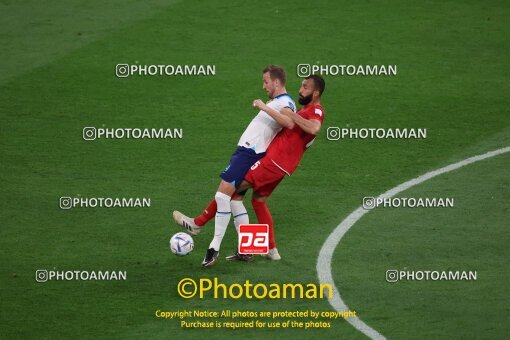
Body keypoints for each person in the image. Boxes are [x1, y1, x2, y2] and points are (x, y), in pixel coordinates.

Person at [174, 75, 326, 267]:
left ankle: (198, 223)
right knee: (257, 201)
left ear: (316, 92)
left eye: (305, 87)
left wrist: (289, 114)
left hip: (273, 163)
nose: (300, 90)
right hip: (281, 166)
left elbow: (314, 128)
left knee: (231, 190)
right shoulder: (305, 109)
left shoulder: (316, 110)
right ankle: (270, 250)